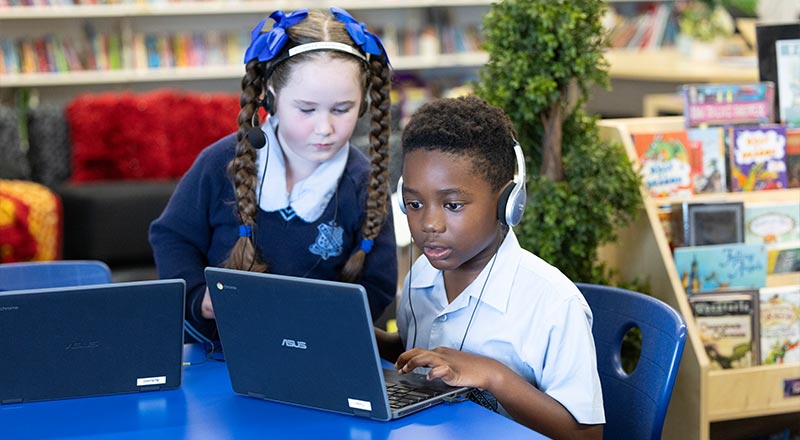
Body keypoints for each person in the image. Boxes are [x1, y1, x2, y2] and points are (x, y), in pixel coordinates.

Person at [150, 7, 397, 345]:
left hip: (313, 354)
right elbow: (171, 236)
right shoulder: (220, 161)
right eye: (306, 109)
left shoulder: (362, 182)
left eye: (342, 109)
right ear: (271, 94)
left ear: (364, 105)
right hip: (214, 351)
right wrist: (197, 296)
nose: (324, 128)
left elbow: (378, 284)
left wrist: (321, 329)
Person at [376, 96, 605, 438]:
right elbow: (417, 350)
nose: (429, 223)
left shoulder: (553, 304)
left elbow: (587, 435)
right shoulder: (421, 276)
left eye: (452, 204)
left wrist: (493, 375)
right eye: (414, 203)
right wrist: (362, 337)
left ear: (507, 204)